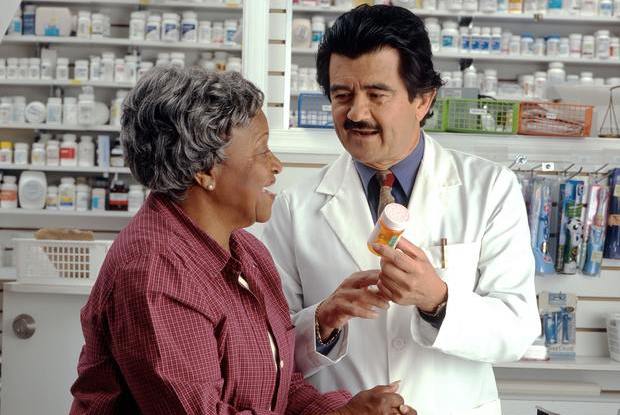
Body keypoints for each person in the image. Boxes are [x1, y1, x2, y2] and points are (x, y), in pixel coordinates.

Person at [69, 66, 415, 415]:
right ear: (204, 171)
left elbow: (276, 382)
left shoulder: (246, 251)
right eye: (262, 151)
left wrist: (340, 410)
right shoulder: (155, 274)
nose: (276, 165)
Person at [262, 5, 541, 415]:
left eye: (376, 95)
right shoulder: (295, 206)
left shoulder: (490, 189)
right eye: (342, 96)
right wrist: (320, 321)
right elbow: (267, 345)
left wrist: (438, 300)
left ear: (422, 100)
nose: (356, 113)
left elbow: (517, 331)